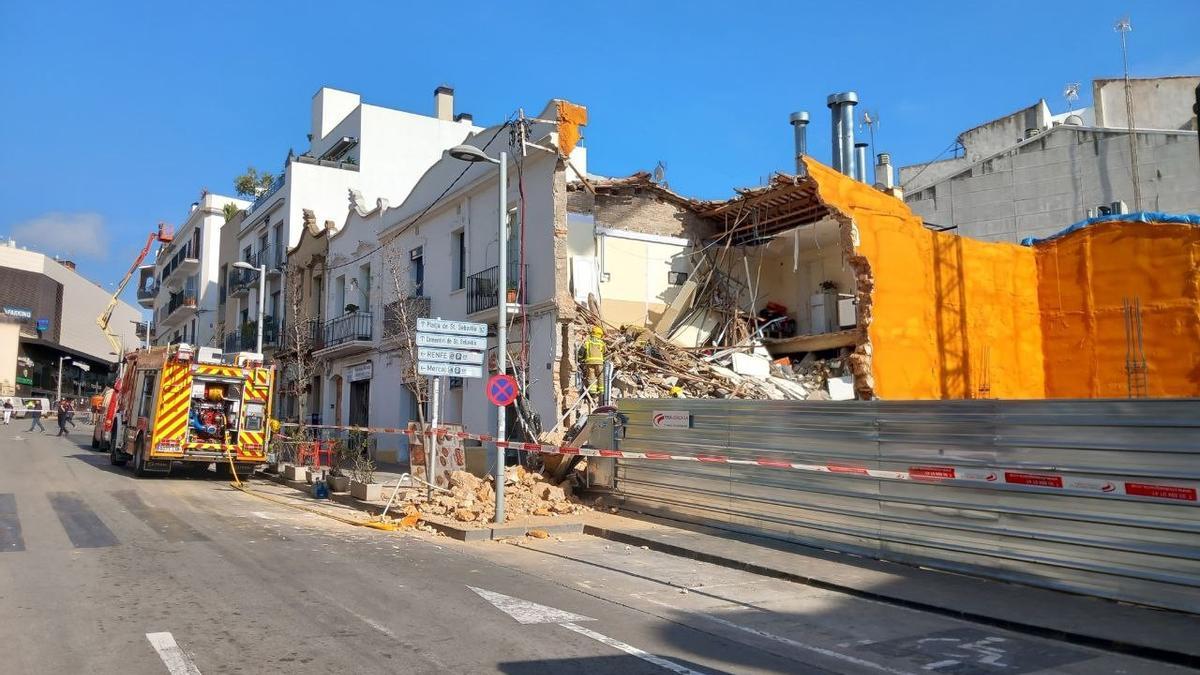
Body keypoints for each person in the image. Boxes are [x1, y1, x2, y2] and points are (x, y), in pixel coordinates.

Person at [579, 325, 606, 396]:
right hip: (600, 363)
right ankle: (602, 391)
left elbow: (582, 351)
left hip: (590, 362)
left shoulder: (588, 342)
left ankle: (592, 392)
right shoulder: (601, 343)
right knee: (600, 376)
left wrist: (580, 358)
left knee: (591, 376)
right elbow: (604, 351)